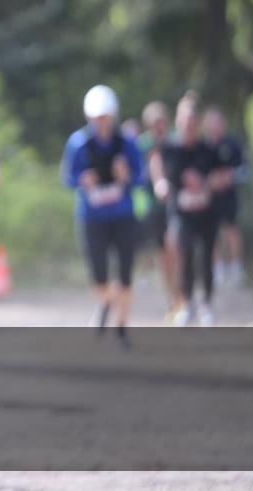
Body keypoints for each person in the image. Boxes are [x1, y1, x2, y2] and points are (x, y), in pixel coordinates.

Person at [62, 85, 143, 347]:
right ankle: (105, 303)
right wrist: (82, 179)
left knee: (126, 273)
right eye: (97, 117)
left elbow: (142, 177)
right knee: (99, 275)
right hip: (92, 217)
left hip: (122, 216)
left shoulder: (127, 143)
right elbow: (67, 177)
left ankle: (121, 328)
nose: (102, 122)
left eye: (106, 116)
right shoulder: (78, 143)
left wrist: (126, 176)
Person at [155, 93, 219, 326]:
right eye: (185, 123)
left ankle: (207, 304)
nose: (189, 127)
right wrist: (160, 184)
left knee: (206, 258)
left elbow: (222, 176)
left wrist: (203, 182)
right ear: (178, 122)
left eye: (193, 123)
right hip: (181, 213)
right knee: (186, 254)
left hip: (206, 213)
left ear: (198, 124)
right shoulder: (169, 149)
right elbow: (158, 168)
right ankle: (187, 303)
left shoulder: (208, 149)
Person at [138, 101, 181, 320]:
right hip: (153, 207)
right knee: (163, 255)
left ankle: (181, 294)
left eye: (162, 123)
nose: (159, 128)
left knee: (176, 249)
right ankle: (171, 296)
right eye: (155, 124)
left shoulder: (175, 141)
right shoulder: (142, 145)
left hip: (176, 205)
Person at [203, 107, 247, 288]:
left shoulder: (232, 144)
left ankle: (236, 268)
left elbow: (244, 170)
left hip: (229, 196)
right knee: (211, 234)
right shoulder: (203, 147)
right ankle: (217, 270)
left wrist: (230, 177)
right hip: (209, 198)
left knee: (231, 231)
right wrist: (210, 181)